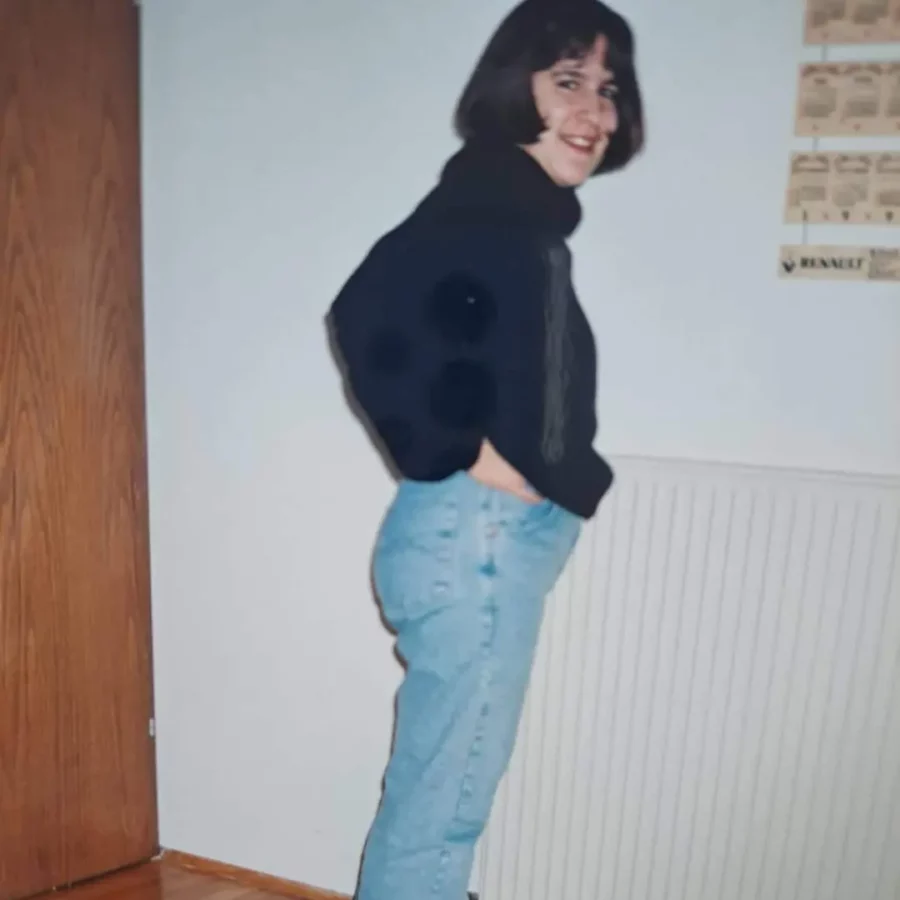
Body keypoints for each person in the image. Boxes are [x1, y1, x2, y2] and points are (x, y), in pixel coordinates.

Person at [327, 1, 644, 897]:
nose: (595, 113)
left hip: (477, 538)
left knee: (436, 799)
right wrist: (463, 452)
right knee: (442, 811)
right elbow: (362, 311)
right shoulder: (491, 205)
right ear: (518, 87)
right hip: (478, 540)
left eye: (608, 89)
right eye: (570, 82)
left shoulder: (514, 212)